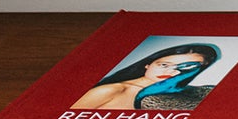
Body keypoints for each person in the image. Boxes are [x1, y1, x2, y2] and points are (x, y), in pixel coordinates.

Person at [72, 43, 221, 111]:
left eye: (187, 67)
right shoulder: (110, 90)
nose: (171, 71)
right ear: (148, 64)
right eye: (164, 65)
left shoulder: (191, 93)